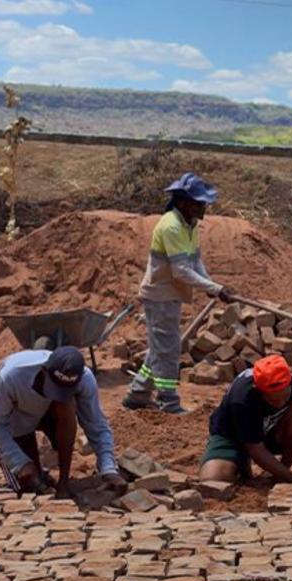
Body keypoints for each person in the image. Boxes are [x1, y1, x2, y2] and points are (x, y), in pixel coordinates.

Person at [124, 172, 233, 414]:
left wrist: (212, 287)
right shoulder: (171, 226)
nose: (204, 207)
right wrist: (214, 288)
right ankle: (168, 402)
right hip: (160, 295)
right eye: (199, 202)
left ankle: (138, 393)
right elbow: (181, 271)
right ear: (183, 203)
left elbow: (195, 261)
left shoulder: (189, 224)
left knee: (161, 348)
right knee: (168, 351)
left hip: (169, 295)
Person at [0, 346, 127, 498]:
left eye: (64, 392)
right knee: (27, 485)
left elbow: (97, 425)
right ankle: (38, 471)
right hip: (18, 420)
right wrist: (19, 463)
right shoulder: (13, 376)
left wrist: (108, 468)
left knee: (66, 406)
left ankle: (63, 482)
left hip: (52, 417)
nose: (58, 395)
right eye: (54, 390)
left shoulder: (85, 379)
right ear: (44, 371)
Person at [198, 355, 292, 484]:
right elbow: (255, 449)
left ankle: (281, 471)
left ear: (289, 383)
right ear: (258, 389)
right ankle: (240, 462)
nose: (281, 403)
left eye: (285, 397)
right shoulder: (242, 398)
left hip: (269, 432)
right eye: (273, 400)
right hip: (231, 436)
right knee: (213, 480)